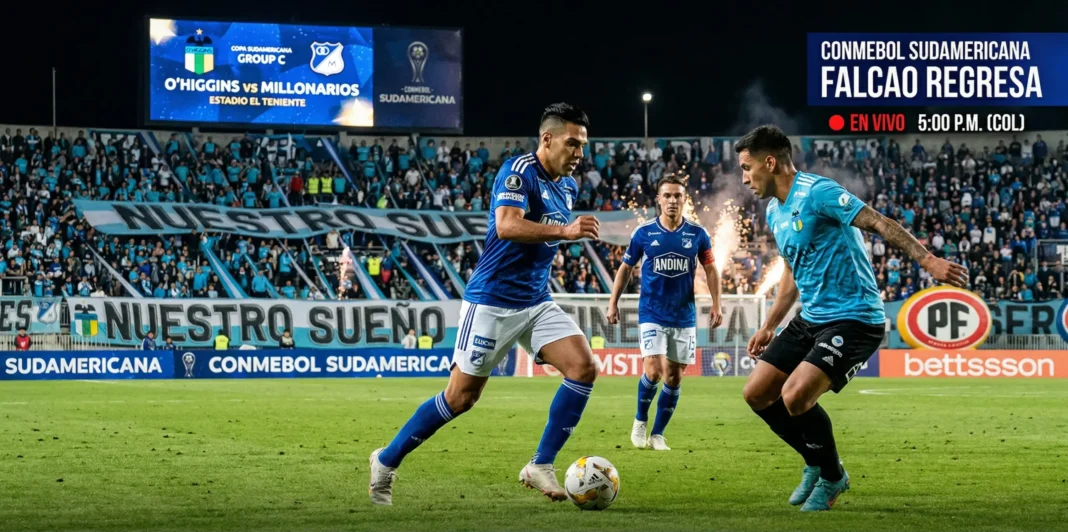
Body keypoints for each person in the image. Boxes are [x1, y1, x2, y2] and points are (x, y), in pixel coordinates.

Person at [369, 103, 601, 506]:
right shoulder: (518, 172)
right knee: (460, 398)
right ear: (547, 139)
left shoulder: (568, 186)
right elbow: (507, 225)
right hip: (492, 301)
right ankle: (386, 460)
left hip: (536, 300)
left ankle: (541, 464)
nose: (579, 153)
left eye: (582, 145)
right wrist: (564, 231)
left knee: (584, 367)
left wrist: (559, 236)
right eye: (572, 143)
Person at [735, 125, 968, 512]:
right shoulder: (775, 210)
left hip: (855, 317)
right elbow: (792, 271)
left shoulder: (818, 192)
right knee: (756, 393)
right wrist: (770, 325)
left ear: (770, 162)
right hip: (812, 317)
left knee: (795, 395)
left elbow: (878, 221)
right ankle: (815, 461)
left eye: (747, 168)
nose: (744, 178)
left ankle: (832, 477)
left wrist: (927, 260)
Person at [606, 173, 724, 451]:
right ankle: (640, 420)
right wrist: (613, 302)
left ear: (685, 199)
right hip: (652, 313)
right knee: (654, 371)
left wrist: (716, 303)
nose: (672, 200)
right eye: (667, 195)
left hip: (683, 316)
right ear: (658, 199)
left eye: (677, 196)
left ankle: (658, 434)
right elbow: (625, 268)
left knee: (674, 377)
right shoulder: (644, 233)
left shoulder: (698, 234)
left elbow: (711, 269)